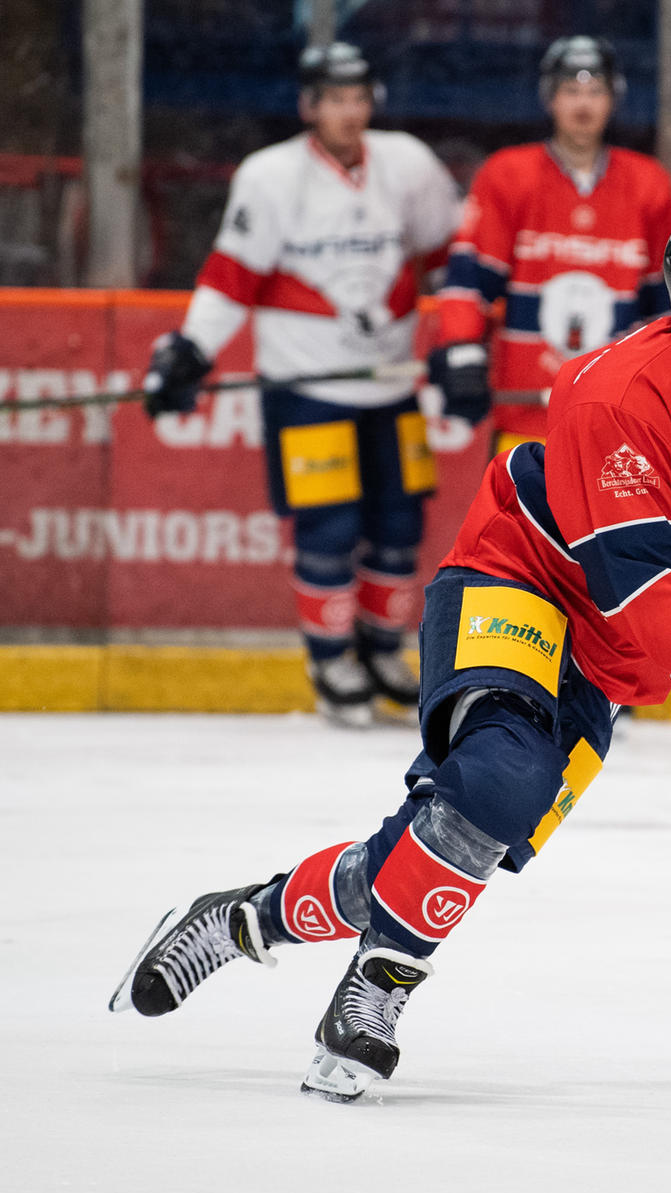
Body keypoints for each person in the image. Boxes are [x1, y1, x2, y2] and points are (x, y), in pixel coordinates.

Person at [110, 205, 671, 1103]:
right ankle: (375, 991)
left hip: (621, 647)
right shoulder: (618, 391)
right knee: (504, 776)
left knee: (466, 830)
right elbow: (630, 577)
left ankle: (241, 922)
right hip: (522, 578)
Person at [142, 43, 462, 726]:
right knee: (329, 528)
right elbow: (233, 277)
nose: (349, 111)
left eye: (358, 97)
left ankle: (381, 650)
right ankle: (330, 660)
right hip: (307, 385)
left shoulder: (407, 164)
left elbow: (452, 259)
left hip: (391, 381)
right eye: (334, 99)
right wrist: (191, 349)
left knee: (399, 525)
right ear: (307, 106)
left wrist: (464, 342)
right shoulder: (270, 176)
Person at [431, 35, 671, 454]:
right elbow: (470, 282)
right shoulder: (507, 175)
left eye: (595, 91)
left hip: (617, 408)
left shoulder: (648, 183)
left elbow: (665, 301)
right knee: (525, 519)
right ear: (550, 99)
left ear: (612, 99)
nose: (583, 104)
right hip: (526, 410)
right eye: (570, 91)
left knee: (610, 522)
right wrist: (460, 347)